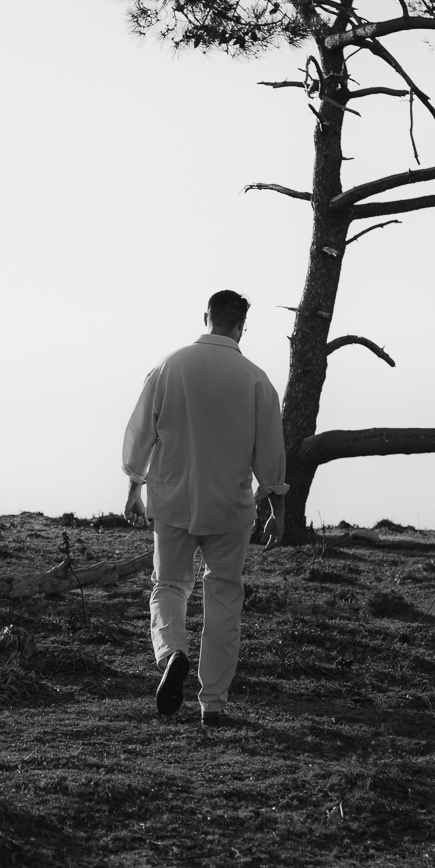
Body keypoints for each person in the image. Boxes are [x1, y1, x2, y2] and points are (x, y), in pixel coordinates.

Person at [122, 290, 287, 728]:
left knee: (169, 587)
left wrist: (134, 485)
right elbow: (269, 451)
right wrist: (275, 504)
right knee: (224, 597)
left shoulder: (168, 367)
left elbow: (141, 432)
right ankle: (212, 703)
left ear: (206, 317)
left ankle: (172, 651)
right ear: (241, 327)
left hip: (172, 498)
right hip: (230, 506)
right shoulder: (256, 379)